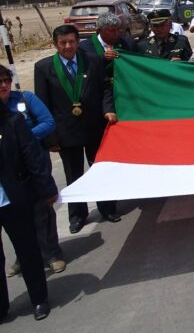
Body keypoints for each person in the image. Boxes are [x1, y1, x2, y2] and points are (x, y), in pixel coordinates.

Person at [33, 25, 119, 234]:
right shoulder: (43, 67)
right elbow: (43, 104)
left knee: (100, 169)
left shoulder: (93, 61)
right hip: (65, 132)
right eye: (62, 43)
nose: (68, 46)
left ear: (78, 41)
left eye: (71, 41)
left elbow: (106, 88)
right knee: (74, 174)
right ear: (55, 44)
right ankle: (78, 215)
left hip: (94, 127)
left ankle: (107, 208)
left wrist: (108, 110)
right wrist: (50, 138)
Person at [0, 66, 65, 276]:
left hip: (33, 165)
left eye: (6, 81)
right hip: (7, 175)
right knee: (17, 220)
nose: (3, 85)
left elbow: (48, 122)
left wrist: (23, 137)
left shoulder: (25, 99)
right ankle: (23, 257)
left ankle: (53, 254)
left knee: (41, 213)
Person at [0, 103, 58, 322]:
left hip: (13, 198)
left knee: (27, 250)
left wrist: (47, 189)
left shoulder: (13, 122)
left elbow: (32, 157)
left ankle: (39, 299)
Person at [79, 12, 136, 79]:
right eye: (112, 31)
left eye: (118, 29)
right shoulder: (84, 47)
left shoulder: (127, 44)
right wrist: (103, 58)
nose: (116, 33)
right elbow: (84, 70)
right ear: (100, 30)